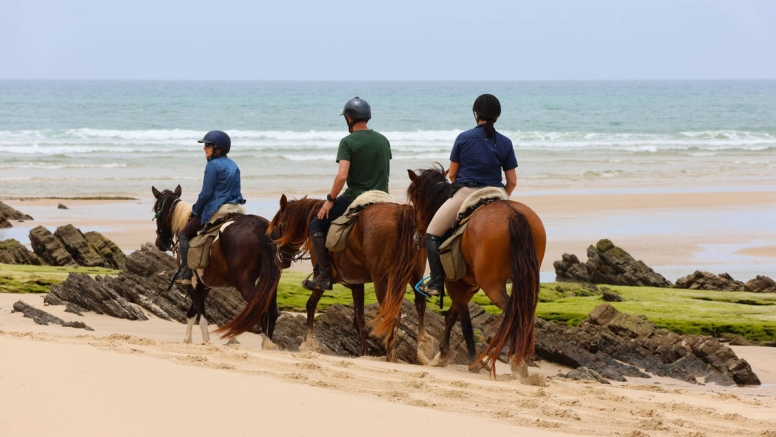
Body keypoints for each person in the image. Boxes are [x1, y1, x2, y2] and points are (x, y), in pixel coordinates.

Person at [418, 94, 518, 297]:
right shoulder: (506, 142)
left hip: (467, 192)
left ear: (476, 114)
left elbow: (452, 174)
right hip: (498, 193)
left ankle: (436, 283)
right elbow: (513, 181)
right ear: (497, 116)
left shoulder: (463, 138)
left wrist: (460, 193)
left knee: (432, 233)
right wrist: (501, 196)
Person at [302, 97, 392, 291]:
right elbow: (384, 170)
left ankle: (324, 275)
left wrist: (330, 200)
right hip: (383, 196)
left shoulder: (348, 141)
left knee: (316, 224)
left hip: (356, 197)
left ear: (349, 118)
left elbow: (342, 176)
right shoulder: (383, 140)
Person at [175, 130, 246, 285]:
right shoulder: (233, 165)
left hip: (217, 208)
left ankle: (186, 272)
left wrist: (195, 210)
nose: (204, 148)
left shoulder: (212, 166)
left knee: (184, 235)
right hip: (236, 208)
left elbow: (206, 194)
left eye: (208, 145)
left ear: (217, 148)